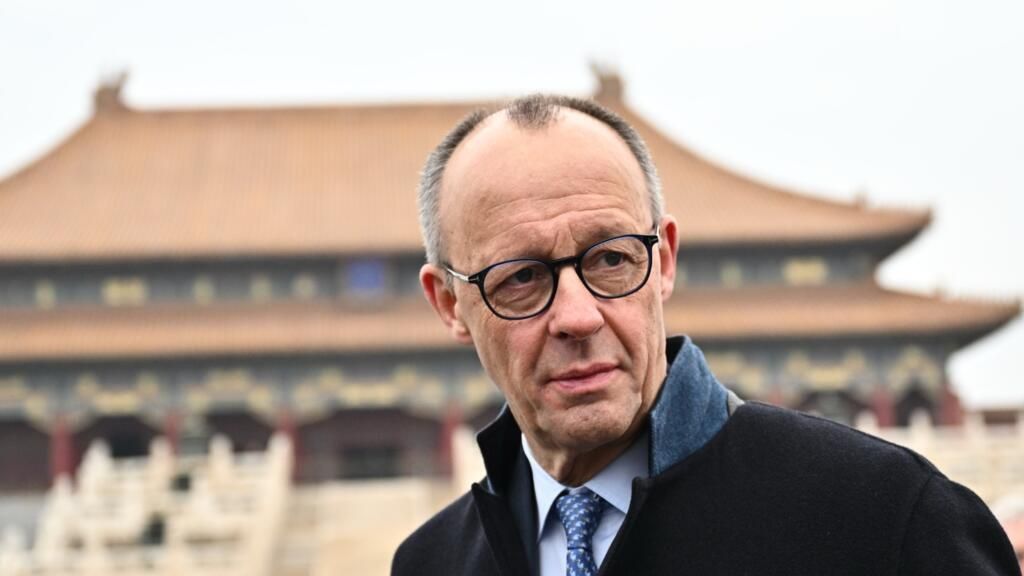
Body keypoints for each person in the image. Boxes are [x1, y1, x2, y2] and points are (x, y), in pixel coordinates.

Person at [392, 94, 1020, 575]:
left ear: (664, 260)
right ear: (449, 304)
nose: (579, 317)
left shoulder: (883, 517)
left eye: (611, 259)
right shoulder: (433, 562)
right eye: (521, 278)